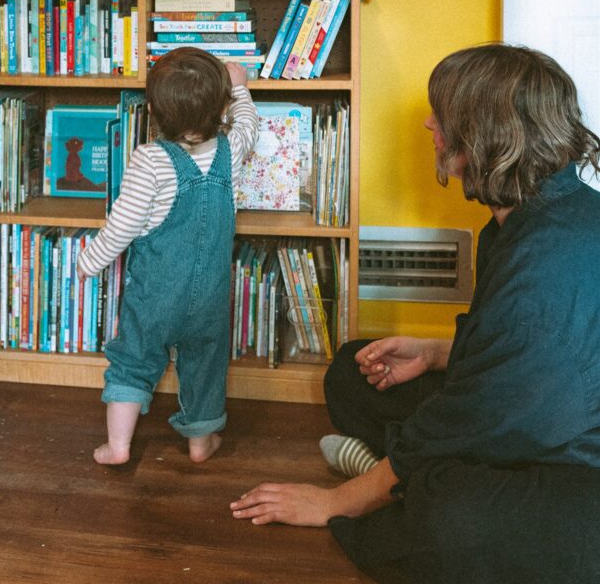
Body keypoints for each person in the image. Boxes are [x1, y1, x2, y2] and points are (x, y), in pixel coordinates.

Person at [230, 44, 600, 584]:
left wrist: (338, 501)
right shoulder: (530, 219)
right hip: (539, 408)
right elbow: (532, 360)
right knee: (352, 371)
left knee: (448, 511)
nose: (430, 123)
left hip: (576, 468)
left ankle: (385, 481)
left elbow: (476, 414)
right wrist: (433, 354)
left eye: (443, 116)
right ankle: (396, 474)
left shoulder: (540, 273)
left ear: (485, 135)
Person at [78, 47, 258, 467]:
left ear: (155, 110)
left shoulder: (150, 160)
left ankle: (119, 446)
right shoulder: (230, 150)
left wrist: (90, 262)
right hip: (211, 295)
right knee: (204, 364)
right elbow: (248, 123)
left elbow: (121, 226)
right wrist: (240, 88)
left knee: (133, 361)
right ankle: (200, 442)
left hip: (154, 297)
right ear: (220, 110)